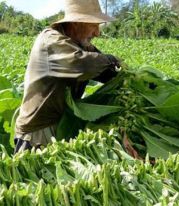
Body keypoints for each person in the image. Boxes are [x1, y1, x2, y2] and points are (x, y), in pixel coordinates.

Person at [14, 0, 121, 153]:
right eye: (94, 25)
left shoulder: (78, 43)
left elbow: (105, 72)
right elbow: (82, 65)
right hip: (37, 133)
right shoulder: (50, 40)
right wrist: (111, 59)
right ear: (76, 23)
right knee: (35, 175)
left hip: (61, 126)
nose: (97, 33)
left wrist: (129, 77)